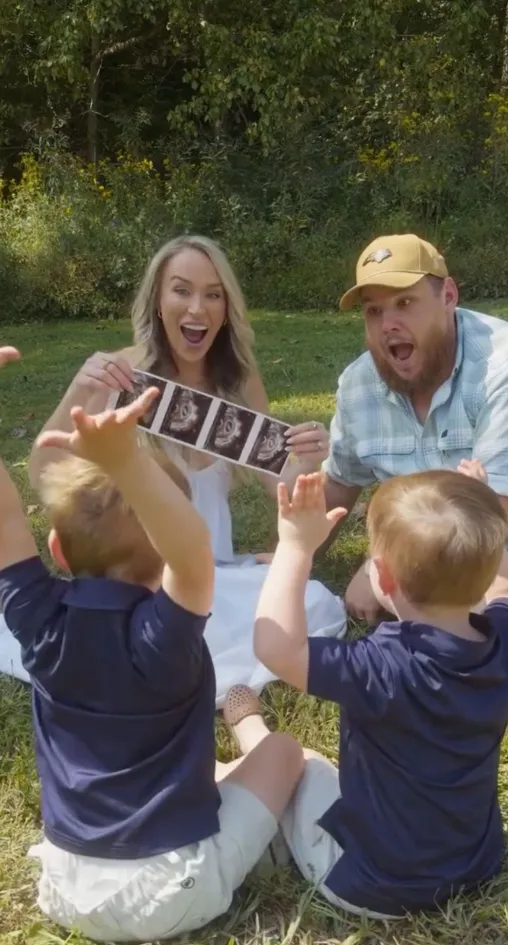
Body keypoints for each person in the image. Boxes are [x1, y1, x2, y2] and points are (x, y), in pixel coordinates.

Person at [0, 358, 304, 943]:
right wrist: (126, 461)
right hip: (174, 888)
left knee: (218, 773)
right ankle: (257, 791)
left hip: (65, 885)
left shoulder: (37, 623)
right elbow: (190, 550)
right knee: (283, 752)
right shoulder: (167, 632)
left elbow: (6, 520)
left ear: (57, 549)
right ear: (168, 559)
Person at [4, 235, 345, 703]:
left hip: (211, 572)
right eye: (182, 290)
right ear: (159, 302)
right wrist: (81, 390)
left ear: (226, 309)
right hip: (136, 578)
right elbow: (43, 473)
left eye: (213, 294)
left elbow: (280, 485)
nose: (197, 308)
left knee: (313, 601)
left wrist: (305, 461)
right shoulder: (121, 373)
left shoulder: (238, 382)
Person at [241, 462, 508, 917]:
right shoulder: (507, 640)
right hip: (475, 864)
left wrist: (294, 547)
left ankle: (250, 732)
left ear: (383, 576)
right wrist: (486, 514)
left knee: (301, 763)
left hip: (371, 882)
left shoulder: (379, 666)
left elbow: (277, 648)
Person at [320, 232, 508, 670]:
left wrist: (381, 566)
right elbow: (338, 483)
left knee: (456, 608)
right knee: (429, 599)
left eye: (405, 303)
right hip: (443, 547)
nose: (388, 324)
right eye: (374, 311)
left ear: (448, 296)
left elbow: (499, 515)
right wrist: (290, 556)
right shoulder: (359, 385)